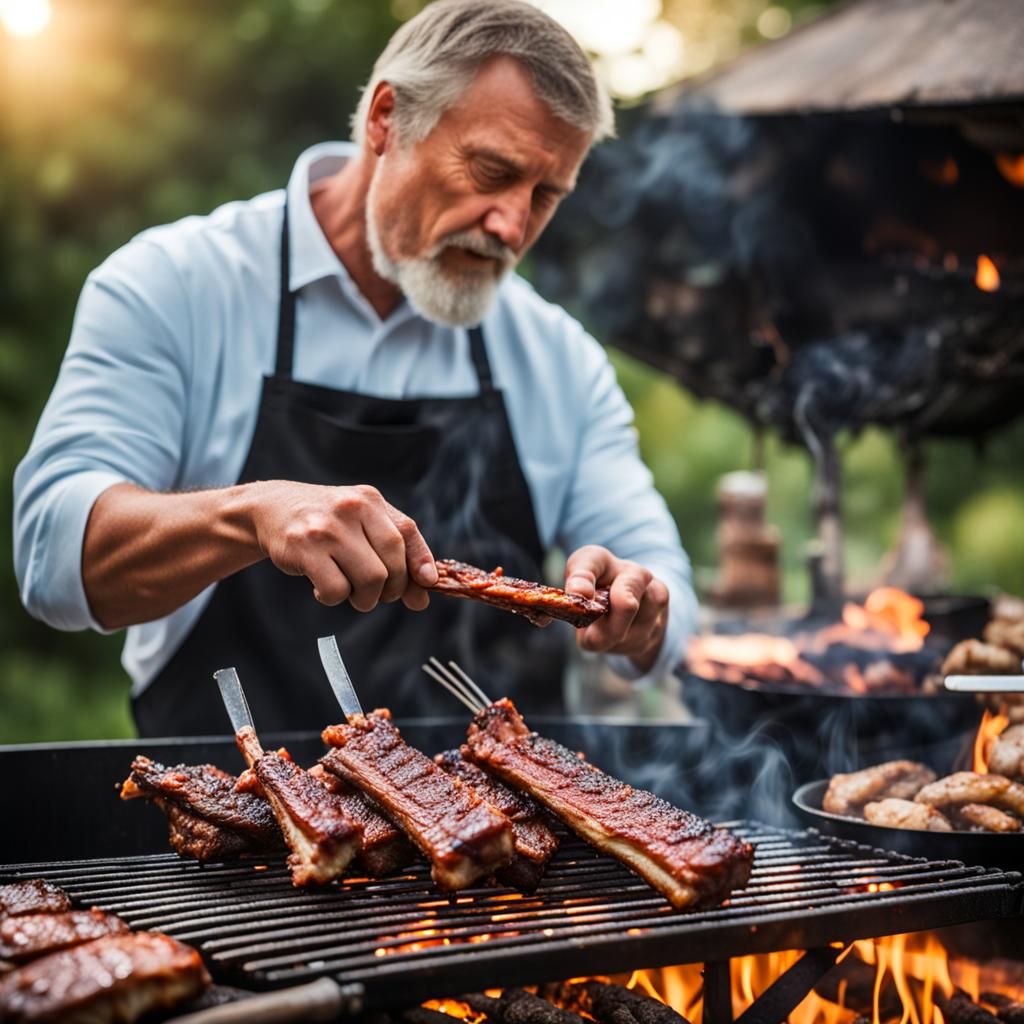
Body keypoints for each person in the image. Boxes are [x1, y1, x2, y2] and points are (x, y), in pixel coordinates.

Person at [14, 0, 698, 736]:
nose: (511, 224)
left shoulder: (557, 358)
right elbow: (54, 559)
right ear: (385, 120)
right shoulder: (176, 286)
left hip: (491, 803)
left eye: (545, 195)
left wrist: (641, 605)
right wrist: (252, 514)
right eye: (490, 171)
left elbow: (668, 593)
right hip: (236, 794)